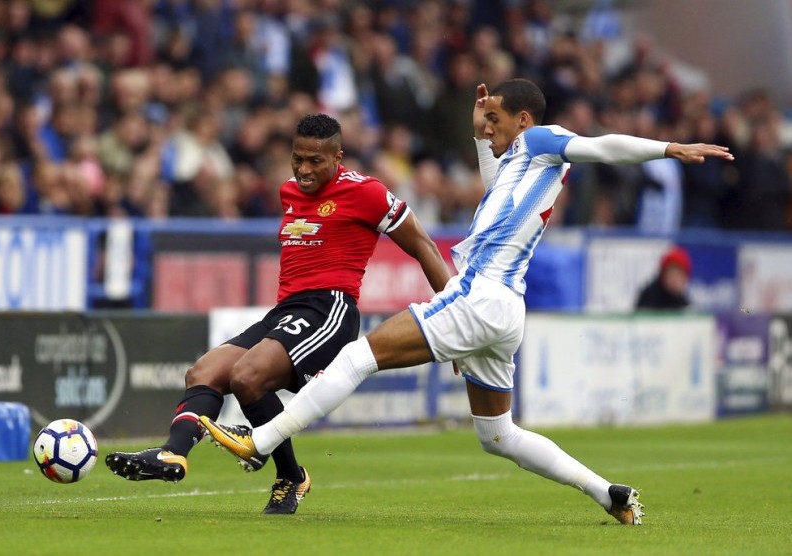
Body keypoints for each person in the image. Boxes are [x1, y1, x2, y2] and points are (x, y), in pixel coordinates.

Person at [199, 79, 734, 525]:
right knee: (498, 435)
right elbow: (495, 184)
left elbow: (601, 145)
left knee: (357, 357)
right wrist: (482, 136)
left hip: (481, 297)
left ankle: (262, 440)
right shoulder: (522, 164)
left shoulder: (544, 139)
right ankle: (606, 492)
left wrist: (668, 148)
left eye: (498, 118)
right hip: (501, 310)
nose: (490, 125)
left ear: (524, 120)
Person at [106, 113, 452, 514]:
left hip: (331, 310)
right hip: (286, 310)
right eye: (297, 158)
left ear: (338, 157)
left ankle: (285, 472)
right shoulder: (289, 190)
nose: (303, 170)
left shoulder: (368, 192)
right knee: (203, 373)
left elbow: (424, 245)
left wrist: (450, 315)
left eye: (315, 161)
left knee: (247, 376)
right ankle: (174, 454)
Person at [635, 246, 692, 310]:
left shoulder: (682, 301)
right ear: (663, 275)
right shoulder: (650, 296)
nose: (674, 280)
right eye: (671, 274)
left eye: (679, 275)